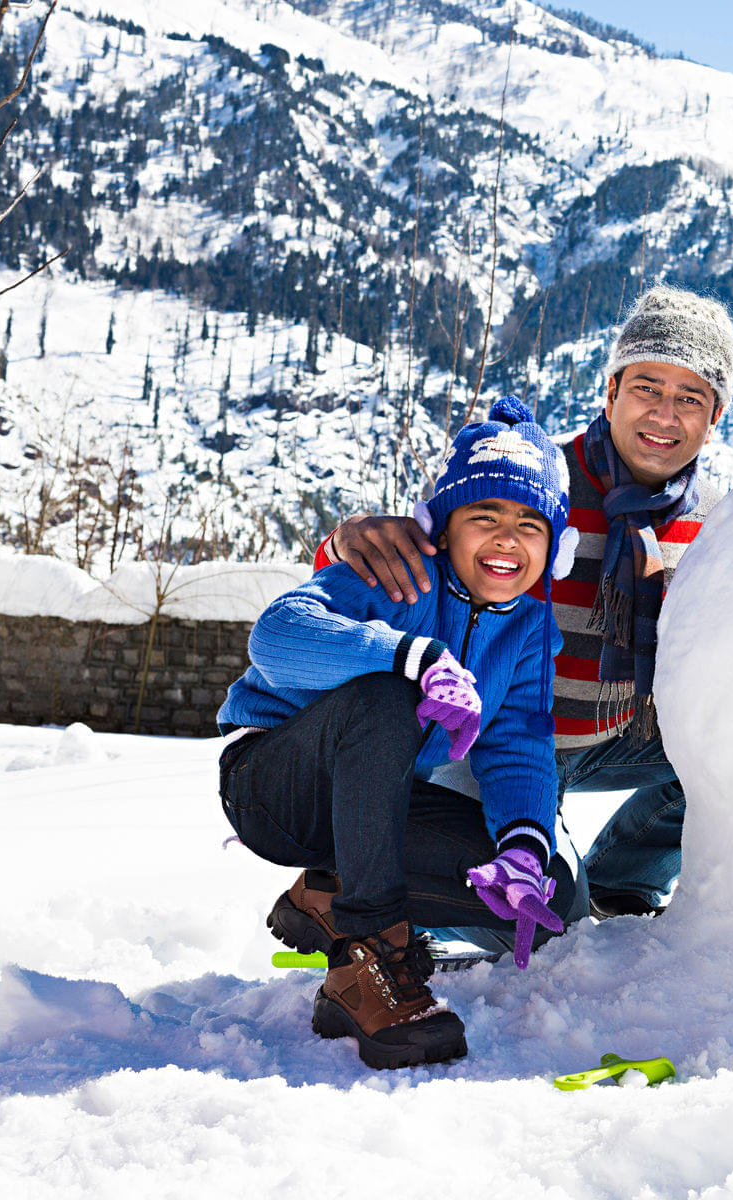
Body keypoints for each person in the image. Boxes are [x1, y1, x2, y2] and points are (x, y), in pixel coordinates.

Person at [319, 286, 733, 920]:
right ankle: (401, 906)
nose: (663, 415)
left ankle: (624, 882)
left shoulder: (711, 521)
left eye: (690, 399)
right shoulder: (536, 484)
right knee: (535, 912)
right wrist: (343, 543)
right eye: (647, 388)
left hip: (613, 738)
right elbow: (399, 567)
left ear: (715, 417)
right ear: (611, 391)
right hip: (497, 744)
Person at [217, 397, 575, 1069]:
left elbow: (517, 744)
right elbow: (277, 635)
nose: (506, 539)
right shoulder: (394, 575)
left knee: (524, 885)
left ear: (553, 548)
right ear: (443, 529)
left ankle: (325, 895)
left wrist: (523, 848)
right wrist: (414, 656)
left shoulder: (528, 630)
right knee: (388, 697)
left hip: (375, 804)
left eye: (530, 524)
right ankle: (368, 960)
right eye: (484, 517)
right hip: (276, 786)